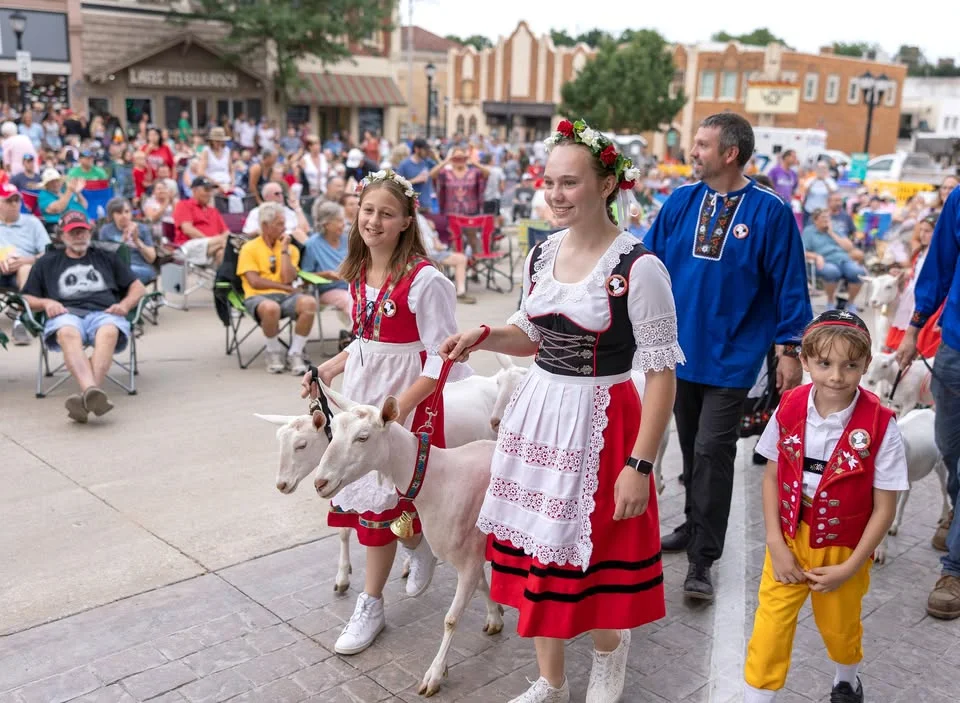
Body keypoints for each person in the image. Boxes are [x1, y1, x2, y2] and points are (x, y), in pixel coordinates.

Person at [441, 119, 681, 703]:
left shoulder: (638, 268)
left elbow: (661, 375)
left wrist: (640, 466)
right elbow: (531, 334)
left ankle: (608, 654)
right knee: (531, 547)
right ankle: (551, 679)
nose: (554, 194)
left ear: (607, 184)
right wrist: (485, 335)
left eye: (569, 182)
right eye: (549, 181)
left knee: (598, 549)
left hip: (603, 417)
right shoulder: (543, 252)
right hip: (540, 413)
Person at [300, 169, 467, 656]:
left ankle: (372, 601)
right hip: (364, 393)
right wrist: (329, 367)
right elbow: (366, 342)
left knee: (389, 493)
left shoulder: (425, 280)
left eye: (386, 213)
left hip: (404, 399)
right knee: (374, 496)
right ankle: (414, 550)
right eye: (367, 210)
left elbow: (443, 354)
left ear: (405, 220)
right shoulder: (359, 269)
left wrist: (395, 411)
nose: (373, 220)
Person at [646, 113, 812, 601]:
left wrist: (789, 349)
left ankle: (703, 560)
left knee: (712, 451)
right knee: (690, 444)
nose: (692, 151)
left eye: (701, 145)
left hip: (734, 357)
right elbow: (646, 264)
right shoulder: (681, 202)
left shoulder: (770, 211)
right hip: (679, 353)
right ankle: (693, 525)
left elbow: (789, 284)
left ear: (729, 153)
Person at [744, 310, 907, 703]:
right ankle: (756, 695)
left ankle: (846, 680)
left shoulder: (881, 425)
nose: (836, 376)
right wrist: (775, 545)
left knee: (840, 628)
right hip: (788, 536)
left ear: (867, 364)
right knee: (770, 629)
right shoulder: (790, 406)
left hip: (844, 546)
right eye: (824, 363)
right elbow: (771, 476)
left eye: (851, 365)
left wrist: (850, 567)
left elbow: (885, 507)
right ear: (804, 361)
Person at [896, 186, 960, 619]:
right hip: (954, 349)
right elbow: (938, 266)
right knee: (951, 450)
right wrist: (915, 327)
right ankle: (954, 514)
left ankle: (954, 568)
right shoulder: (959, 200)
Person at [20, 211, 145, 423]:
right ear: (62, 236)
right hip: (66, 314)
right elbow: (26, 298)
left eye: (83, 231)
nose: (79, 236)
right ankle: (92, 392)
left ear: (90, 232)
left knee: (109, 332)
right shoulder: (47, 262)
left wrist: (124, 305)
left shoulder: (106, 257)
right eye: (73, 232)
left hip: (105, 312)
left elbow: (138, 287)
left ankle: (86, 396)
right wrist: (46, 303)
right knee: (67, 332)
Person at [236, 202, 316, 374]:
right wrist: (285, 288)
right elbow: (255, 282)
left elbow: (288, 278)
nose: (284, 227)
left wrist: (285, 250)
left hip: (285, 296)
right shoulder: (249, 248)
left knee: (309, 303)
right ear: (265, 225)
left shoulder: (290, 248)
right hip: (257, 297)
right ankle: (273, 351)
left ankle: (295, 352)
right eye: (279, 223)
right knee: (271, 308)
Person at [802, 208, 866, 313]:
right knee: (832, 272)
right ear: (815, 220)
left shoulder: (835, 229)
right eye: (823, 217)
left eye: (828, 217)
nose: (826, 220)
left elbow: (849, 247)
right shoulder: (809, 232)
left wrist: (832, 233)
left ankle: (850, 303)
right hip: (823, 261)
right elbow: (802, 251)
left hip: (842, 259)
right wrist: (816, 256)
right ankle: (830, 302)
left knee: (858, 272)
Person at [301, 200, 353, 321]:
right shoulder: (312, 244)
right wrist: (327, 275)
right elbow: (305, 276)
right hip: (328, 290)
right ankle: (358, 335)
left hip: (352, 285)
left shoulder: (347, 239)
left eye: (343, 220)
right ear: (327, 224)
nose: (343, 224)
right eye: (339, 221)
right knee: (349, 300)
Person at [98, 197, 157, 284]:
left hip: (140, 267)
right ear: (112, 215)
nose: (124, 215)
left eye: (127, 211)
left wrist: (136, 240)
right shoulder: (106, 230)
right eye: (119, 212)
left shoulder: (142, 229)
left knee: (124, 273)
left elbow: (152, 258)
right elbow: (102, 257)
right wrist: (122, 242)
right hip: (116, 268)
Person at [172, 177, 229, 266]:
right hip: (189, 245)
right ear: (194, 191)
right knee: (228, 244)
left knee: (221, 252)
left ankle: (221, 279)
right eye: (206, 190)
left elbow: (226, 232)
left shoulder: (213, 210)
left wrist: (216, 240)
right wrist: (211, 240)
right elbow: (188, 229)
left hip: (212, 245)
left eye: (210, 190)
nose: (209, 193)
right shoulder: (184, 205)